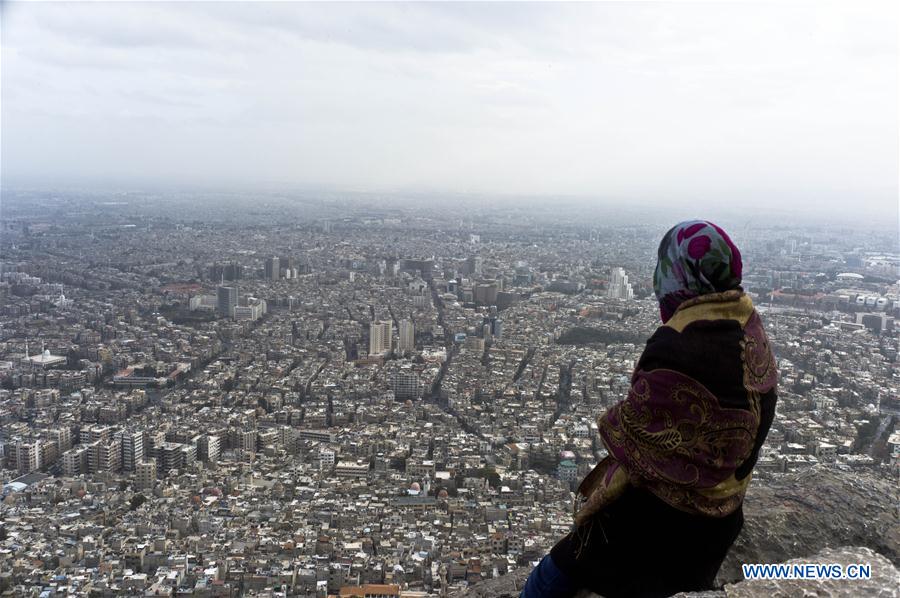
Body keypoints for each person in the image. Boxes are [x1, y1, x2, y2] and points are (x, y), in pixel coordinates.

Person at [521, 220, 778, 598]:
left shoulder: (677, 344)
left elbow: (637, 430)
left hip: (658, 522)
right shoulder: (749, 328)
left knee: (545, 580)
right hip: (721, 519)